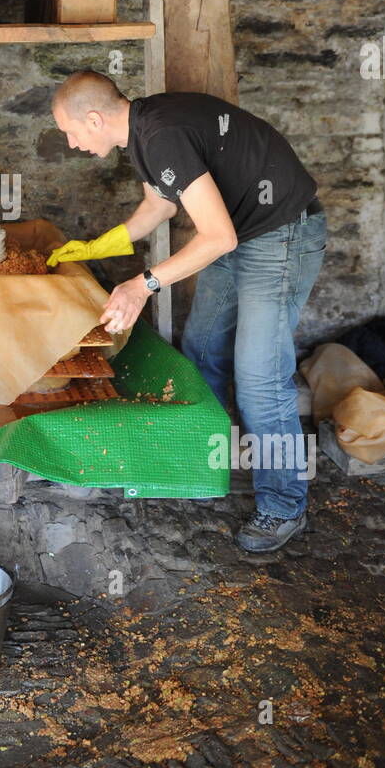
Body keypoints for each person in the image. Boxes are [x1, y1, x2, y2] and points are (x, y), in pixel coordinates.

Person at [47, 70, 327, 554]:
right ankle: (204, 460)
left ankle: (283, 505)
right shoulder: (143, 131)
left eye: (70, 133)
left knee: (260, 378)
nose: (71, 145)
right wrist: (92, 248)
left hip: (279, 234)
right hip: (242, 232)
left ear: (93, 119)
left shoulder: (162, 134)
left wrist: (142, 285)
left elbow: (218, 237)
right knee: (201, 349)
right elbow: (159, 208)